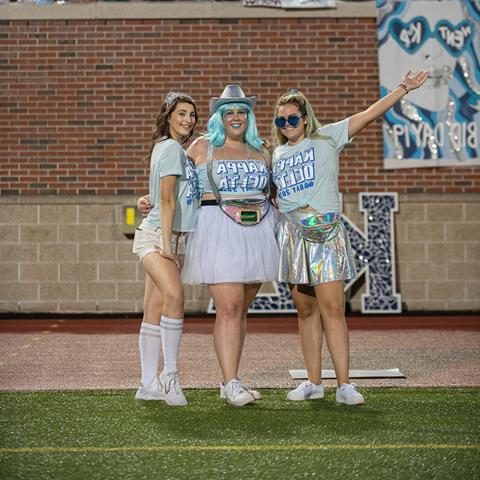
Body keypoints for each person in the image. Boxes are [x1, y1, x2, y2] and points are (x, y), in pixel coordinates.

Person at [271, 71, 427, 405]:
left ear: (305, 116)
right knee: (304, 310)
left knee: (332, 308)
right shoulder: (276, 154)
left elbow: (370, 114)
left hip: (326, 231)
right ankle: (313, 382)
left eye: (293, 118)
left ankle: (344, 384)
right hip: (293, 233)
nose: (287, 124)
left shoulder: (327, 137)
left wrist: (403, 88)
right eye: (281, 120)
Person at [181, 85, 279, 406]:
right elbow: (173, 180)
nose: (235, 117)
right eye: (229, 112)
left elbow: (278, 192)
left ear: (249, 116)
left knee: (241, 311)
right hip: (217, 227)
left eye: (241, 111)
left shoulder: (262, 150)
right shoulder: (201, 147)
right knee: (229, 308)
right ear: (219, 117)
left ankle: (231, 379)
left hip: (258, 229)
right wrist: (152, 201)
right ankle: (230, 381)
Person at [132, 91, 200, 406]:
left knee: (154, 308)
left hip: (166, 233)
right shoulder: (172, 147)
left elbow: (157, 196)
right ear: (169, 116)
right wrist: (167, 243)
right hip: (159, 236)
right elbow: (168, 199)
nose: (188, 120)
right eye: (182, 113)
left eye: (192, 115)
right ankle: (171, 376)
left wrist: (144, 201)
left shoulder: (167, 148)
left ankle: (148, 384)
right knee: (175, 296)